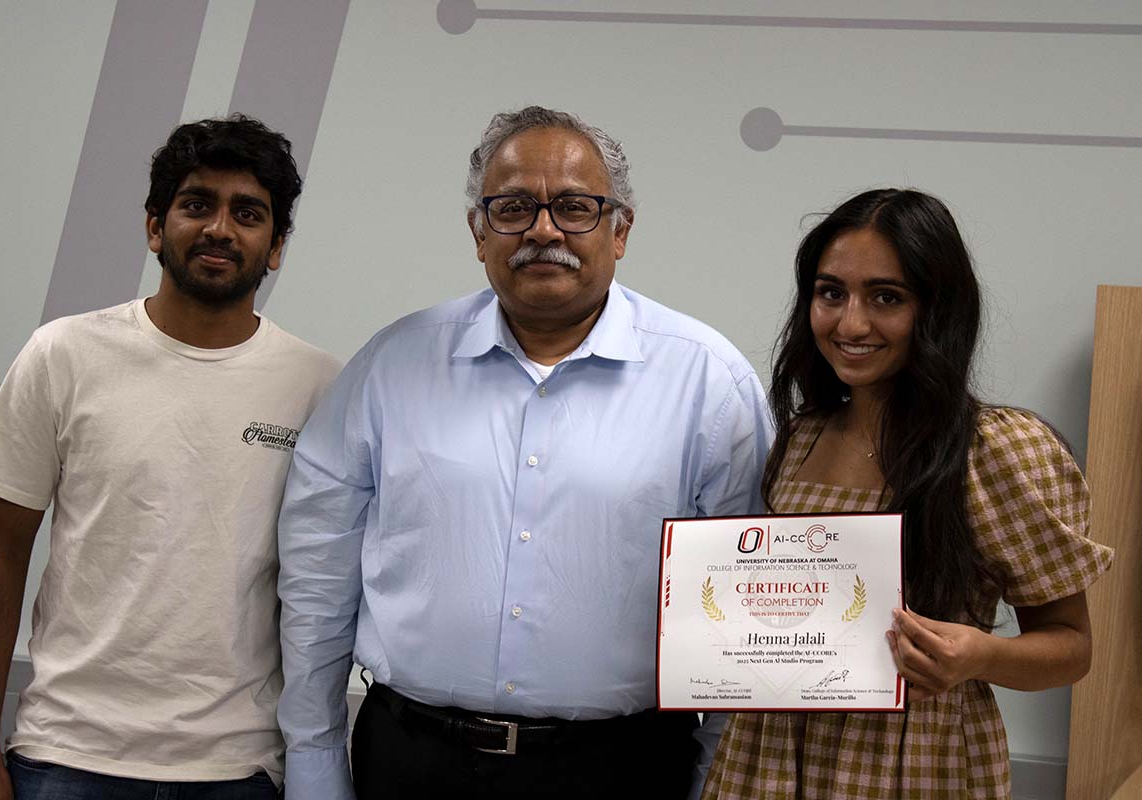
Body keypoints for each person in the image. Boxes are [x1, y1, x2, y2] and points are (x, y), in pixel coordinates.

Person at [277, 105, 772, 800]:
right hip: (413, 762)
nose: (544, 230)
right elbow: (316, 577)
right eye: (513, 208)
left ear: (620, 229)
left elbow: (741, 622)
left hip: (623, 769)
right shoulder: (392, 367)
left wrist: (718, 782)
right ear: (479, 233)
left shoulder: (708, 384)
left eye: (574, 206)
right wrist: (314, 762)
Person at [0, 115, 341, 800]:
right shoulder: (63, 354)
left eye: (247, 214)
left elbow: (324, 591)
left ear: (276, 246)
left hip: (236, 771)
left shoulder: (318, 386)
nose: (221, 228)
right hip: (66, 756)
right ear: (155, 227)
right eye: (197, 205)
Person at [702, 188, 1113, 798]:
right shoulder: (800, 438)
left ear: (936, 309)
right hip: (769, 755)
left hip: (916, 761)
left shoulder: (997, 450)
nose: (852, 323)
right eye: (831, 293)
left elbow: (1072, 647)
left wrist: (978, 655)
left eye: (886, 297)